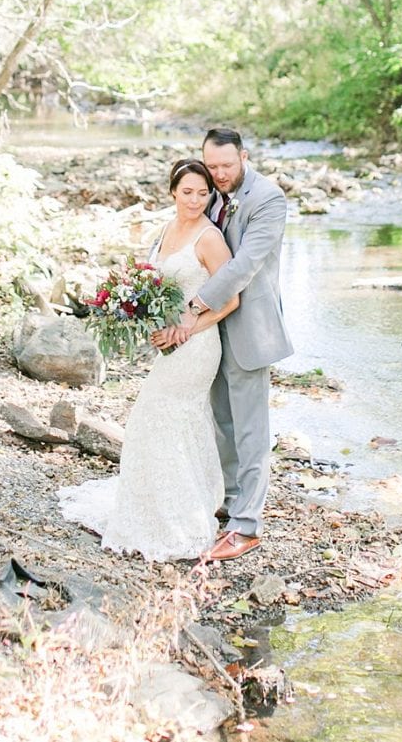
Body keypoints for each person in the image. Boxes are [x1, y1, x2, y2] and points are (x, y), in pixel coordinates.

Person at [56, 159, 240, 561]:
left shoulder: (210, 239)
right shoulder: (165, 231)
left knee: (162, 417)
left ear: (210, 196)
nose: (195, 200)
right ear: (173, 192)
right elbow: (155, 286)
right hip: (169, 342)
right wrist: (143, 316)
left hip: (198, 345)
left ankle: (181, 513)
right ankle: (162, 503)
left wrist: (188, 327)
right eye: (187, 191)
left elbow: (231, 299)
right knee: (163, 420)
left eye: (203, 193)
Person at [165, 126, 293, 563]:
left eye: (226, 165)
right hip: (210, 331)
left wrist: (195, 305)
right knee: (221, 420)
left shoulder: (269, 199)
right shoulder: (212, 192)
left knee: (251, 429)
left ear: (244, 156)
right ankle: (231, 500)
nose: (218, 174)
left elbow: (244, 265)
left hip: (247, 326)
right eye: (212, 165)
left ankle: (247, 526)